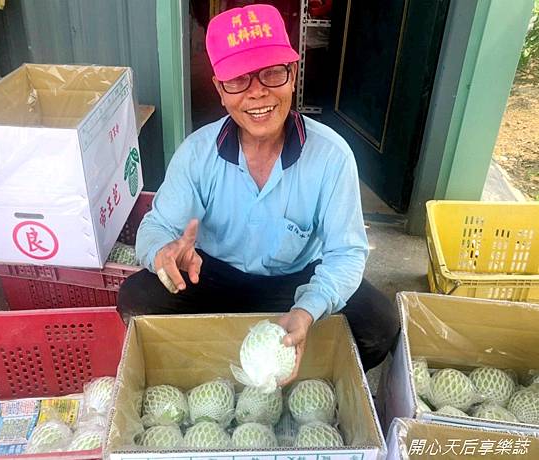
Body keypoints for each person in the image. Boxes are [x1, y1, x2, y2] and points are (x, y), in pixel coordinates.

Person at [118, 3, 399, 382]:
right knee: (138, 299)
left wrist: (308, 309)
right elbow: (157, 227)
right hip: (213, 277)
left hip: (295, 280)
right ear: (220, 89)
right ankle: (218, 374)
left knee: (379, 325)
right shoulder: (198, 153)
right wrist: (163, 253)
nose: (257, 94)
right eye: (238, 80)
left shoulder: (331, 157)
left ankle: (300, 370)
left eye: (271, 74)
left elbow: (346, 254)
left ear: (293, 74)